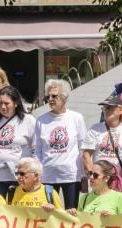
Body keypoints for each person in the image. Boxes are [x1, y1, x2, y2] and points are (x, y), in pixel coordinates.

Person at [33, 79, 87, 209]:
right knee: (50, 214)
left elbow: (82, 148)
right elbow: (37, 150)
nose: (50, 99)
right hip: (48, 176)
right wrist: (38, 174)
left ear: (64, 97)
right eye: (48, 96)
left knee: (72, 212)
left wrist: (83, 176)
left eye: (54, 96)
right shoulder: (41, 120)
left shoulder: (76, 118)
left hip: (71, 175)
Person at [0, 86, 36, 197]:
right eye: (0, 103)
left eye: (6, 103)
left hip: (20, 176)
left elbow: (35, 148)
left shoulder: (28, 120)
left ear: (16, 103)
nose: (3, 107)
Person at [82, 95, 122, 183]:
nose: (106, 111)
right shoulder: (95, 129)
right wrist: (93, 175)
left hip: (119, 179)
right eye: (104, 108)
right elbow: (86, 155)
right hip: (99, 179)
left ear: (121, 110)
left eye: (110, 108)